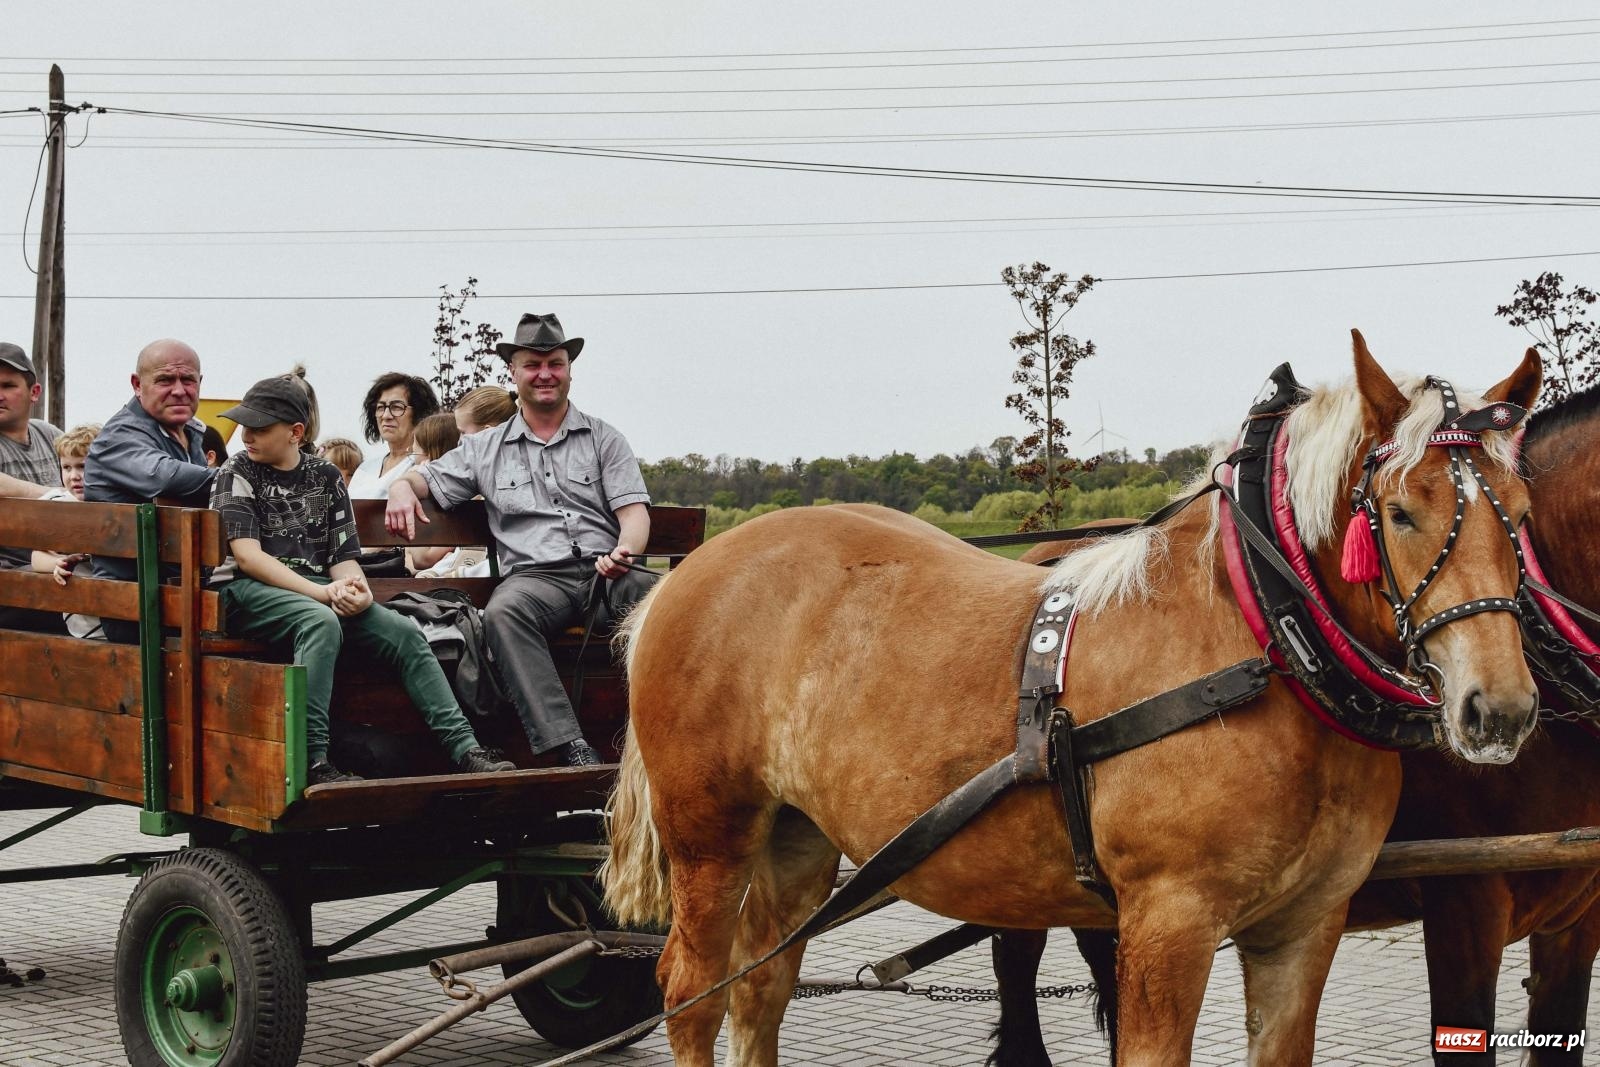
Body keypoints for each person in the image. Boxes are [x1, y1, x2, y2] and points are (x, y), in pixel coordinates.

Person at [211, 377, 515, 786]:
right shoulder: (237, 470)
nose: (246, 435)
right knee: (320, 621)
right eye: (244, 426)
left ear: (295, 433)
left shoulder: (325, 476)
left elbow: (342, 558)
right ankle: (313, 761)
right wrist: (324, 594)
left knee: (404, 632)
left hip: (316, 588)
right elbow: (248, 557)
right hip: (248, 590)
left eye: (259, 428)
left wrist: (356, 590)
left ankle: (465, 750)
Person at [387, 312, 653, 767]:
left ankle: (694, 731)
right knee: (504, 614)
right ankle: (566, 745)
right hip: (534, 582)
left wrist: (624, 551)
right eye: (533, 364)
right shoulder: (482, 449)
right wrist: (398, 488)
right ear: (514, 371)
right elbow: (423, 479)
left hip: (607, 572)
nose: (545, 374)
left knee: (673, 598)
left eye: (555, 363)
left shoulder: (604, 438)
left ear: (570, 369)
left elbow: (633, 514)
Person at [83, 339, 214, 643]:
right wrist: (244, 478)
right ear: (137, 384)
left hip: (180, 593)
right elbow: (164, 476)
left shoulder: (190, 432)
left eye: (188, 380)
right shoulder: (120, 435)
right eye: (165, 380)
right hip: (134, 602)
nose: (179, 390)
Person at [0, 342, 69, 633]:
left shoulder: (48, 433)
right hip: (11, 571)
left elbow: (85, 469)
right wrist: (53, 496)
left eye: (8, 385)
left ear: (34, 392)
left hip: (57, 557)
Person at [32, 424, 105, 639]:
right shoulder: (55, 503)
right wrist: (57, 563)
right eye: (66, 467)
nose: (74, 476)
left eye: (82, 466)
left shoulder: (114, 504)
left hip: (116, 609)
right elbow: (37, 556)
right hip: (81, 618)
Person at [349, 373, 439, 499]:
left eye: (396, 407)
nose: (386, 415)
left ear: (419, 413)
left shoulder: (423, 466)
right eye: (380, 407)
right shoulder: (365, 468)